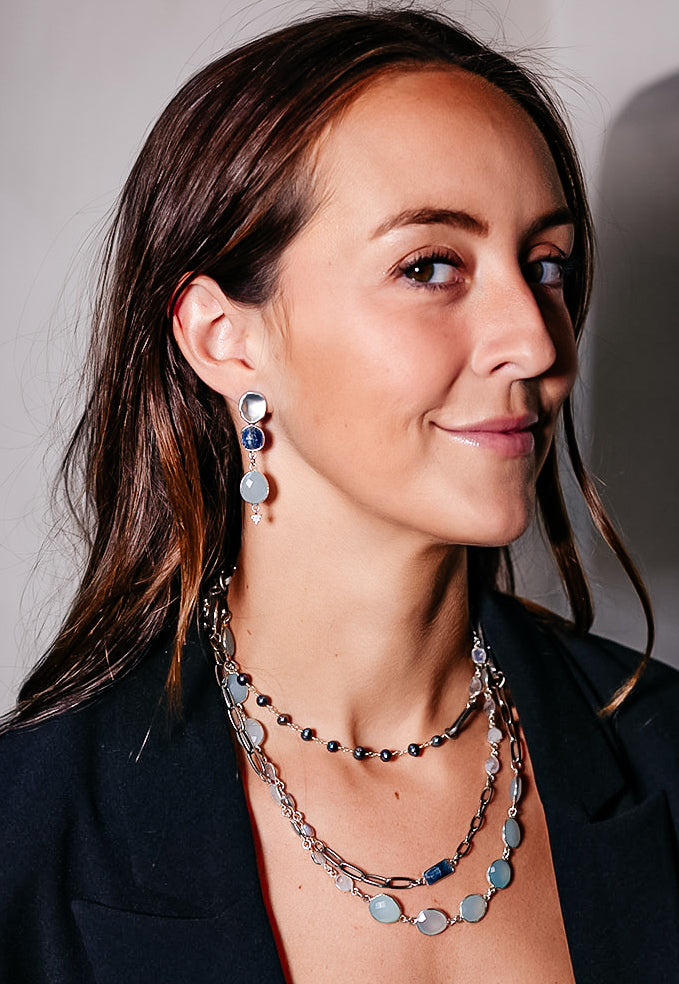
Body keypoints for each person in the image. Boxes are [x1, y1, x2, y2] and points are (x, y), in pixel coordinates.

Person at [1, 9, 677, 983]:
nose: (536, 342)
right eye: (430, 266)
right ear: (223, 339)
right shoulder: (35, 837)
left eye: (548, 267)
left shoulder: (659, 749)